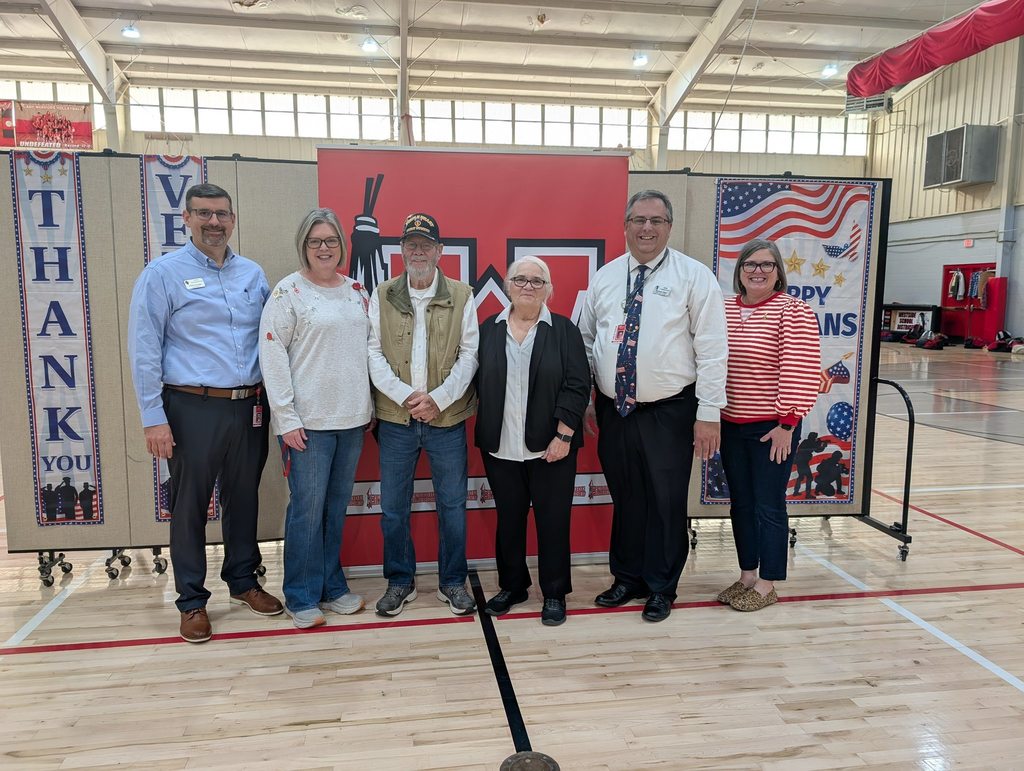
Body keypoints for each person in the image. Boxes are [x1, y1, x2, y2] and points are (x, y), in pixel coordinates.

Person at [128, 182, 283, 644]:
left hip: (249, 405)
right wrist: (153, 416)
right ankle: (192, 601)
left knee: (243, 497)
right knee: (190, 505)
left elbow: (272, 339)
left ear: (233, 220)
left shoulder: (252, 274)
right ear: (187, 219)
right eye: (204, 214)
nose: (214, 222)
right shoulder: (162, 274)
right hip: (191, 406)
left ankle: (243, 582)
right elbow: (144, 350)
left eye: (222, 214)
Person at [579, 189, 728, 623]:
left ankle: (662, 586)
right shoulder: (606, 277)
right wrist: (590, 396)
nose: (646, 228)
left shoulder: (694, 277)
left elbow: (714, 350)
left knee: (665, 501)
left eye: (656, 221)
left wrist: (708, 413)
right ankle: (627, 577)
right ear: (625, 225)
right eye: (638, 220)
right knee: (626, 498)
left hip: (671, 410)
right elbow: (587, 340)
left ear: (669, 227)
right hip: (614, 408)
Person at [259, 208, 372, 629]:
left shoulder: (357, 291)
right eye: (315, 241)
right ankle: (300, 594)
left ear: (342, 245)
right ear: (304, 246)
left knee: (335, 509)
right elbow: (272, 359)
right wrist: (286, 419)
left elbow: (368, 353)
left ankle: (331, 586)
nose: (324, 248)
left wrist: (371, 409)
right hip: (307, 425)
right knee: (307, 510)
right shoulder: (288, 293)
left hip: (353, 420)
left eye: (331, 241)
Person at [367, 213, 479, 617]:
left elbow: (470, 356)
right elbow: (373, 353)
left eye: (426, 244)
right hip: (397, 421)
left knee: (452, 505)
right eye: (411, 244)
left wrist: (439, 400)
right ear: (401, 250)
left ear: (439, 250)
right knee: (394, 507)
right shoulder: (381, 295)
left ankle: (453, 582)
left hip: (445, 421)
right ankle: (400, 581)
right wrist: (406, 396)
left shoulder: (463, 295)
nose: (418, 251)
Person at [475, 256, 590, 626]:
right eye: (521, 279)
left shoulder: (563, 330)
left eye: (537, 281)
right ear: (508, 286)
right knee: (509, 520)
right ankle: (513, 586)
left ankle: (554, 593)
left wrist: (563, 435)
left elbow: (577, 385)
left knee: (552, 521)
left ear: (549, 290)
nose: (528, 286)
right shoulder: (487, 330)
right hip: (500, 445)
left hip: (551, 448)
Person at [716, 238, 821, 612]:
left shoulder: (793, 311)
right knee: (740, 504)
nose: (757, 271)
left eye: (766, 265)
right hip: (730, 423)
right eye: (750, 264)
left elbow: (801, 368)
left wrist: (788, 423)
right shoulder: (724, 309)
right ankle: (747, 574)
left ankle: (768, 580)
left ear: (779, 273)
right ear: (739, 271)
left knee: (768, 505)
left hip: (772, 428)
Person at [793, 432, 827, 499]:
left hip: (802, 461)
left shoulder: (810, 442)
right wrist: (815, 447)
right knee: (809, 478)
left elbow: (817, 450)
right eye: (815, 437)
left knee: (801, 477)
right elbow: (801, 449)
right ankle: (807, 494)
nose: (816, 439)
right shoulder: (807, 442)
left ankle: (796, 492)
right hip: (802, 461)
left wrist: (823, 446)